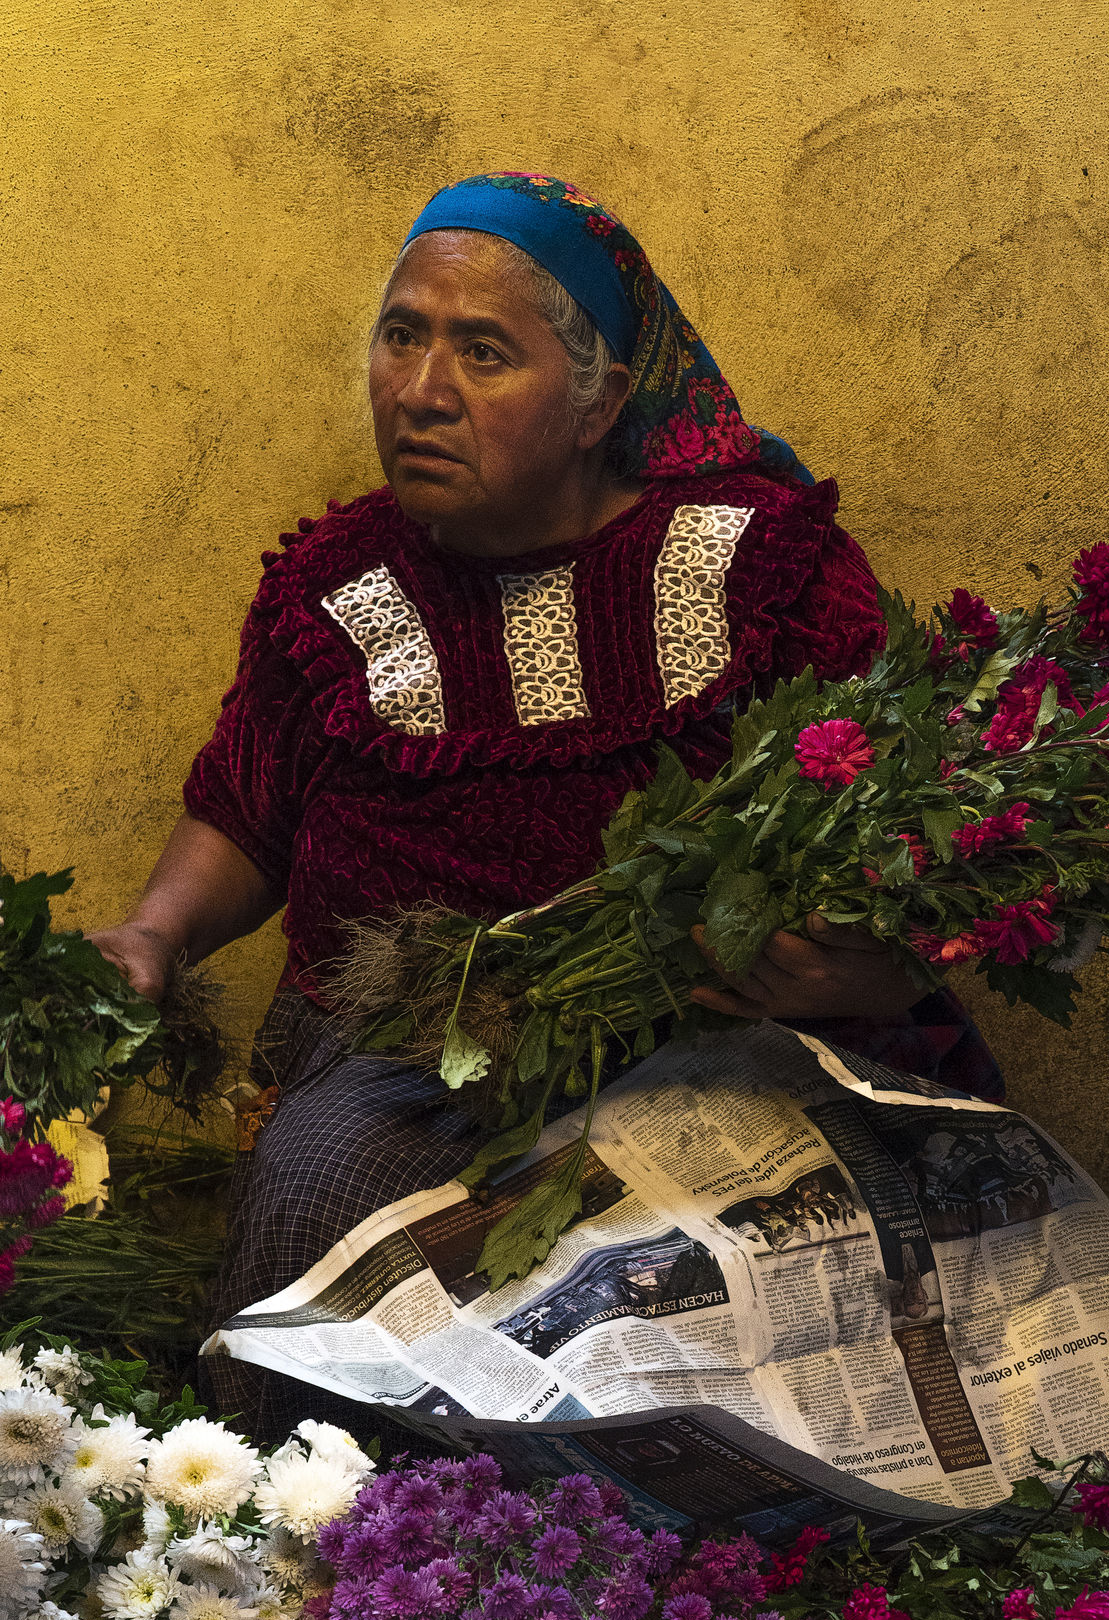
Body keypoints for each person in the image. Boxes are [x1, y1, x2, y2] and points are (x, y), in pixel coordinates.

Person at [89, 171, 1003, 1441]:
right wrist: (156, 934)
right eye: (401, 335)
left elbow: (911, 838)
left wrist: (862, 969)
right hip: (415, 1059)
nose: (419, 389)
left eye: (482, 351)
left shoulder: (756, 566)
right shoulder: (336, 588)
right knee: (320, 1185)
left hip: (716, 1044)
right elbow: (248, 806)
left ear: (598, 402)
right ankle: (291, 1531)